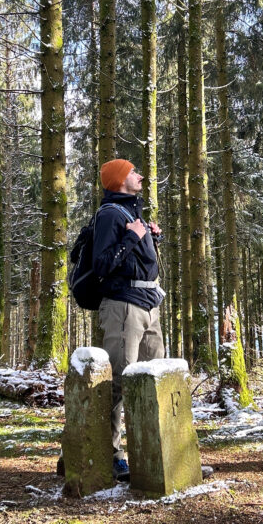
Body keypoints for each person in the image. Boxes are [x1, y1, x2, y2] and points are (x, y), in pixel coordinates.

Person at [93, 158, 165, 480]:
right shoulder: (109, 215)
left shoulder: (131, 212)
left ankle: (155, 455)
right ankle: (108, 456)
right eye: (134, 171)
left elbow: (131, 260)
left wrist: (149, 239)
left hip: (149, 304)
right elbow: (102, 265)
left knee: (153, 380)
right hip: (123, 308)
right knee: (119, 384)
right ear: (120, 180)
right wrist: (133, 238)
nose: (140, 176)